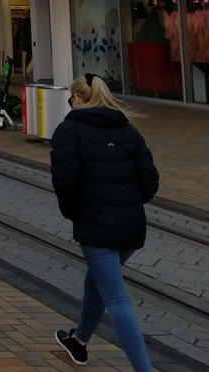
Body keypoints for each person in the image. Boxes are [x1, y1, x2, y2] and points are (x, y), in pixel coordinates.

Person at [51, 73, 159, 371]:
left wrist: (76, 214)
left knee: (117, 299)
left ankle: (144, 369)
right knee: (96, 281)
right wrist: (128, 204)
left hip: (95, 228)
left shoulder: (69, 131)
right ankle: (79, 341)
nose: (70, 102)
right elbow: (150, 183)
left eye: (71, 97)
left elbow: (65, 182)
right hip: (131, 227)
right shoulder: (129, 131)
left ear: (80, 99)